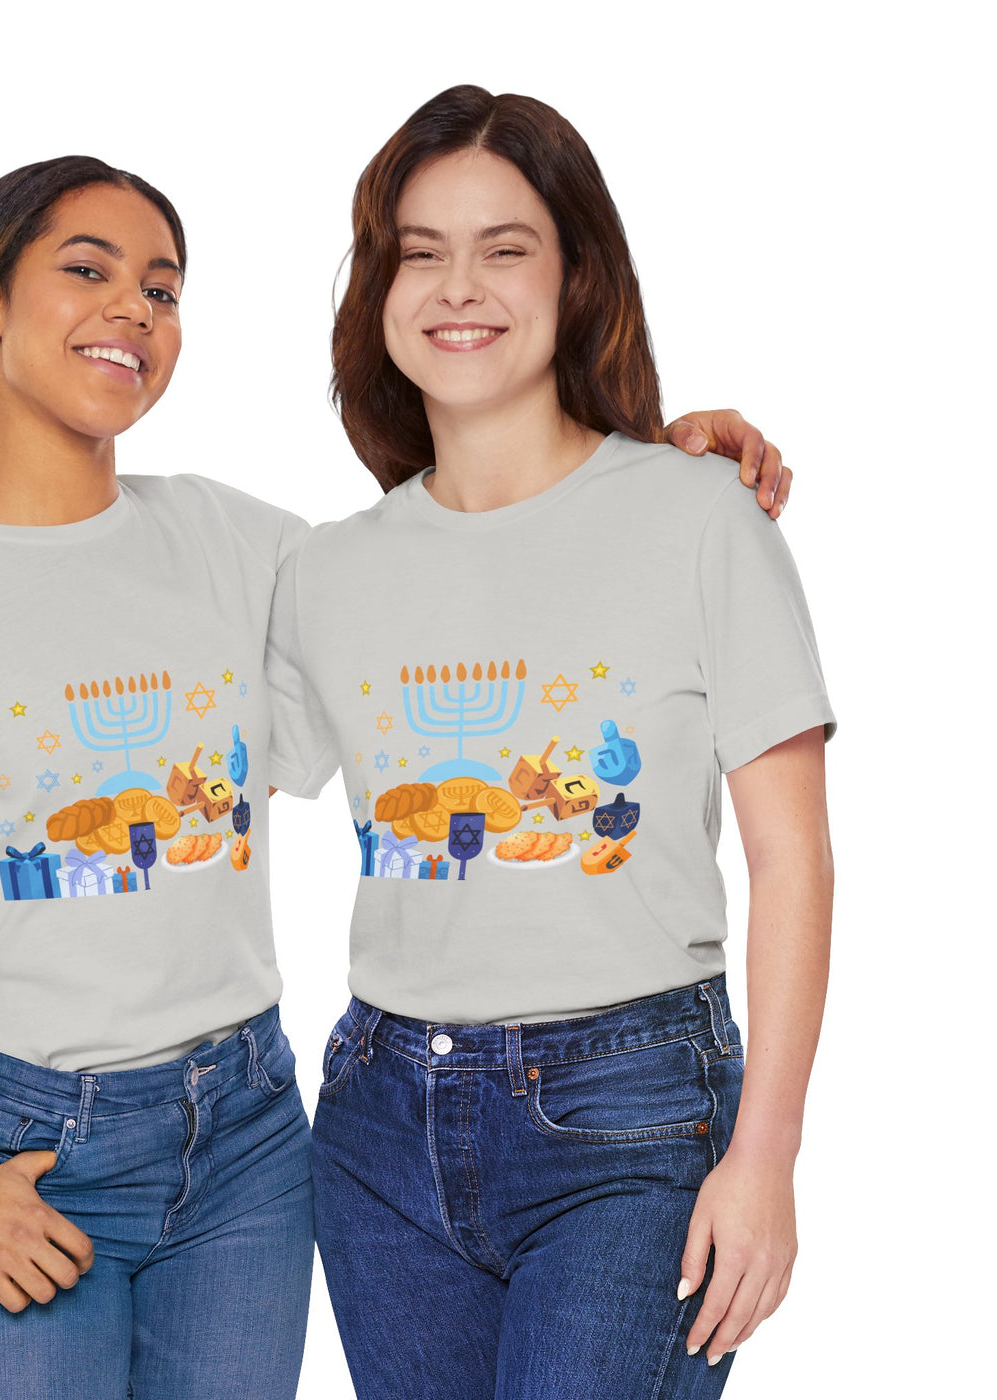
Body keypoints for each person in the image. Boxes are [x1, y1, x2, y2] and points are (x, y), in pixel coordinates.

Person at [0, 153, 789, 1398]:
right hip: (14, 1145)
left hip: (243, 1147)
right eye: (87, 269)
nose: (132, 307)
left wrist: (651, 470)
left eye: (162, 289)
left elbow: (466, 556)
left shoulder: (243, 548)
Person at [265, 86, 834, 1400]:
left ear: (577, 275)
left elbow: (793, 861)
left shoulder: (703, 516)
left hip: (631, 1119)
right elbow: (188, 785)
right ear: (377, 286)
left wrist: (765, 1160)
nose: (460, 285)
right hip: (377, 1132)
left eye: (506, 246)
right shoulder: (325, 572)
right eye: (420, 249)